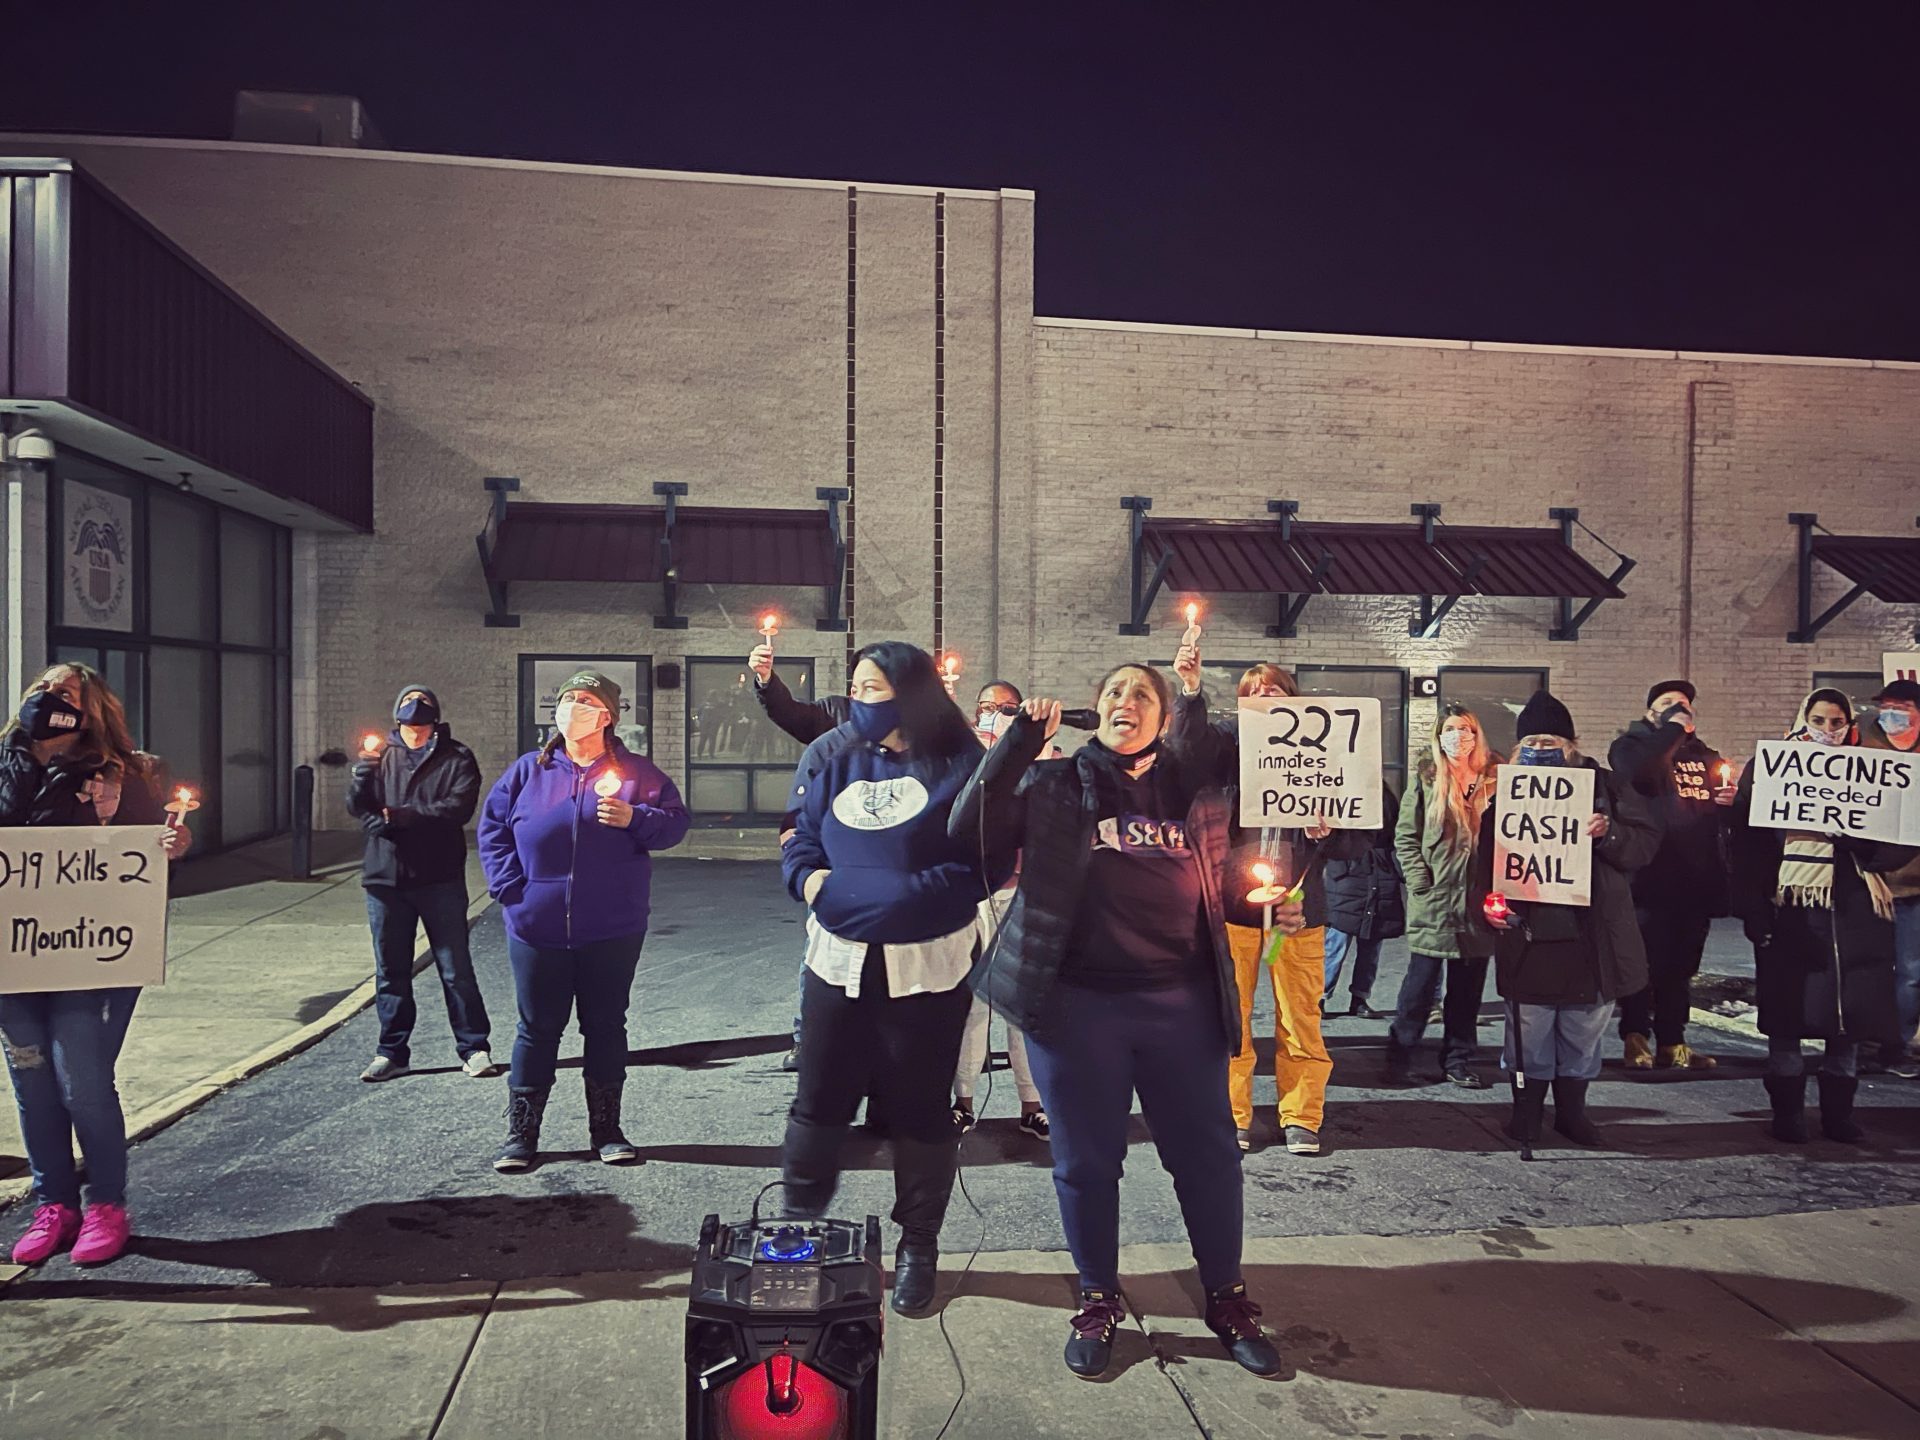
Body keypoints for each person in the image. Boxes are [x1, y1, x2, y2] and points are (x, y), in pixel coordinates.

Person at [955, 662, 1290, 1380]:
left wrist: (1279, 882)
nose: (1124, 702)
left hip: (1183, 1005)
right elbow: (967, 830)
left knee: (1208, 1160)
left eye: (1142, 693)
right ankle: (1098, 1297)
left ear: (1163, 716)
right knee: (1086, 1165)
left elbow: (1229, 885)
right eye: (1112, 692)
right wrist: (1016, 743)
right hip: (1078, 1009)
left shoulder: (1196, 792)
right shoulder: (1053, 784)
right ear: (1097, 710)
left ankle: (1226, 1297)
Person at [780, 641, 993, 1317]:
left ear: (913, 692)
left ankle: (918, 1246)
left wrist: (885, 898)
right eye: (858, 687)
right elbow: (800, 837)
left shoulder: (961, 762)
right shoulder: (829, 755)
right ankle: (802, 1229)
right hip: (837, 962)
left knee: (921, 1109)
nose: (863, 699)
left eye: (877, 687)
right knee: (819, 1099)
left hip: (927, 968)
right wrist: (815, 883)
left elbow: (977, 865)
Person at [1, 663, 192, 1268]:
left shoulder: (122, 773)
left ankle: (106, 1203)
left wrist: (168, 847)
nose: (52, 695)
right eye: (44, 688)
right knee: (33, 1084)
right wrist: (30, 758)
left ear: (92, 709)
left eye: (68, 691)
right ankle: (53, 1204)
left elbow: (140, 859)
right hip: (14, 959)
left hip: (88, 956)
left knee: (80, 1082)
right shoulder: (7, 763)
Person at [478, 670, 689, 1171]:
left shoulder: (639, 773)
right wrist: (512, 891)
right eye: (568, 698)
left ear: (608, 715)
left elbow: (675, 826)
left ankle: (607, 1130)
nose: (574, 706)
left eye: (587, 700)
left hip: (611, 928)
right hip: (537, 928)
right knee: (537, 1029)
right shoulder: (529, 771)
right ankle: (522, 1135)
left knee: (605, 1026)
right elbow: (492, 830)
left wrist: (636, 818)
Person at [1167, 654, 1361, 1157]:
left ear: (1293, 698)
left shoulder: (1324, 753)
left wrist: (1329, 830)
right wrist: (1190, 691)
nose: (1264, 698)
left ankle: (1301, 1115)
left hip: (1300, 912)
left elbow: (1355, 842)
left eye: (1274, 690)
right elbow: (1185, 749)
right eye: (1253, 691)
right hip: (1236, 908)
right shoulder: (1226, 746)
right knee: (1232, 1015)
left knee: (1301, 1018)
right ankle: (1233, 1113)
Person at [1730, 689, 1915, 1144]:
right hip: (1790, 905)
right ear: (1803, 719)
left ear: (1849, 724)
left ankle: (1838, 1114)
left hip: (1856, 908)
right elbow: (1746, 845)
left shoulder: (1873, 772)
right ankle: (1788, 1112)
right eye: (1819, 720)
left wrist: (1856, 841)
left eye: (1836, 722)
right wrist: (1755, 909)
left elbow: (1903, 841)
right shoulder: (1772, 770)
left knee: (1849, 1016)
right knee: (1788, 1011)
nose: (1828, 730)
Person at [1477, 692, 1657, 1148]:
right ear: (1519, 749)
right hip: (1531, 938)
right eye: (1533, 739)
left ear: (1572, 741)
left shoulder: (1608, 788)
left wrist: (1609, 833)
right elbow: (1486, 867)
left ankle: (1573, 1113)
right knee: (1529, 1035)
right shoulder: (1507, 797)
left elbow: (1644, 845)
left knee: (1582, 1031)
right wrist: (1490, 907)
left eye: (1552, 737)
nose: (1543, 746)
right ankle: (1527, 1113)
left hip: (1592, 938)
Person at [346, 685, 493, 1083]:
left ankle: (474, 1046)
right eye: (409, 727)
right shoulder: (379, 757)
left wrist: (400, 818)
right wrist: (363, 779)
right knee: (390, 969)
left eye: (423, 726)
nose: (416, 733)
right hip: (385, 878)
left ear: (434, 724)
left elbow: (456, 808)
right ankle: (392, 1051)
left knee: (454, 967)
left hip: (438, 877)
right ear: (398, 723)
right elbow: (359, 807)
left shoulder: (457, 757)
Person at [1607, 681, 1737, 1073]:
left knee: (1681, 968)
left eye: (1683, 706)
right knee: (1642, 962)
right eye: (1666, 705)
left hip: (1694, 880)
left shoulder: (1705, 756)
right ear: (1650, 714)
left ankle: (1673, 1040)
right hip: (1648, 878)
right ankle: (1635, 1036)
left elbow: (1717, 811)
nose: (1677, 709)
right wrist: (1672, 729)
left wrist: (1732, 802)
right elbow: (1642, 774)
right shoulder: (1630, 747)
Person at [748, 640, 852, 1073]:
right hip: (833, 850)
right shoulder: (835, 716)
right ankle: (807, 1037)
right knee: (822, 948)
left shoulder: (920, 727)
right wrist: (766, 680)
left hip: (890, 857)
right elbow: (789, 713)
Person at [1388, 705, 1503, 1087]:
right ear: (1439, 735)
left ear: (1477, 733)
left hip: (1478, 902)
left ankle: (1458, 1059)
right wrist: (1421, 881)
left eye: (1466, 728)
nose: (1459, 735)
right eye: (1451, 728)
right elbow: (1406, 836)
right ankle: (1401, 1055)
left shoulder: (1497, 778)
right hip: (1435, 900)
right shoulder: (1427, 778)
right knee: (1419, 988)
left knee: (1467, 992)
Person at [953, 680, 1048, 1141]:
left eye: (1003, 708)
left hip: (1020, 894)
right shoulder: (963, 759)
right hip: (973, 896)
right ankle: (963, 1100)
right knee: (972, 1006)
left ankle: (1032, 1104)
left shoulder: (1037, 760)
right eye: (984, 707)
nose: (992, 714)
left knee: (1018, 1006)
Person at [1862, 679, 1920, 1079]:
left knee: (1912, 972)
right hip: (1872, 880)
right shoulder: (1863, 744)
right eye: (1886, 705)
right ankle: (1875, 1044)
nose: (1891, 713)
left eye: (1900, 706)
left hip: (1914, 883)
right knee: (1872, 968)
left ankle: (1900, 1045)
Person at [1321, 785, 1405, 1020]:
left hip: (1379, 872)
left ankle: (1359, 998)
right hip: (1351, 874)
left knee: (1371, 945)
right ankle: (1321, 996)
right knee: (1337, 941)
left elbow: (1395, 831)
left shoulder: (1385, 794)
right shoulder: (1339, 789)